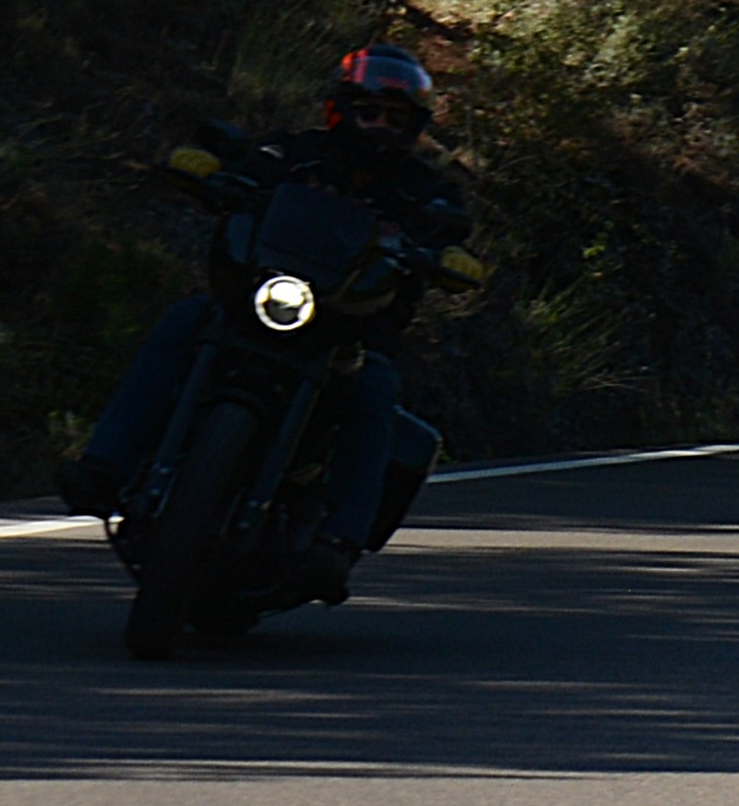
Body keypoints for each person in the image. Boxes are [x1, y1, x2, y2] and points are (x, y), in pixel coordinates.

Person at [58, 44, 468, 604]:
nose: (378, 127)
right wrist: (217, 177)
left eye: (394, 119)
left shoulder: (424, 191)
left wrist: (441, 249)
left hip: (347, 331)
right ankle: (105, 465)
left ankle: (338, 539)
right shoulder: (295, 153)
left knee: (374, 385)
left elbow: (451, 229)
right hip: (259, 300)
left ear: (413, 128)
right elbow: (249, 167)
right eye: (369, 112)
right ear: (341, 109)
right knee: (185, 319)